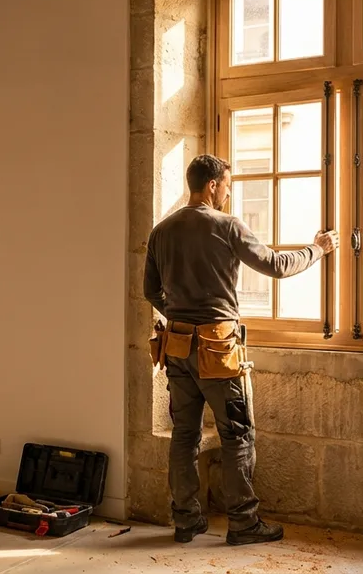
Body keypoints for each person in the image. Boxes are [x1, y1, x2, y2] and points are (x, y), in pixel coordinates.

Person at [143, 154, 338, 545]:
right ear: (212, 185)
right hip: (218, 351)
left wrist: (180, 317)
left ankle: (185, 520)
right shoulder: (226, 225)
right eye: (228, 185)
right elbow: (276, 265)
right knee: (238, 435)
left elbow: (151, 291)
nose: (229, 193)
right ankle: (244, 523)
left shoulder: (161, 231)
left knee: (185, 435)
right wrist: (318, 249)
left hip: (177, 348)